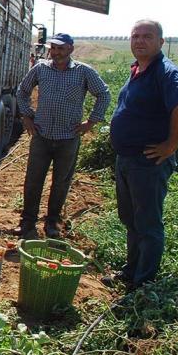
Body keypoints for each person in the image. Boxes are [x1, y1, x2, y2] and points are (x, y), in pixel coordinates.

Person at [106, 20, 178, 289]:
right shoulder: (137, 70)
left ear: (160, 42)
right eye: (135, 36)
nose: (140, 41)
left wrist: (170, 145)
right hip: (128, 160)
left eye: (147, 36)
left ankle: (144, 282)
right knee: (131, 218)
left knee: (147, 222)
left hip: (148, 162)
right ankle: (131, 271)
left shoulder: (165, 72)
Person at [14, 33, 111, 239]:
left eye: (61, 48)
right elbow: (22, 91)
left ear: (70, 50)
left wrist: (91, 122)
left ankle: (52, 223)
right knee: (33, 180)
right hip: (42, 135)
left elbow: (103, 94)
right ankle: (27, 222)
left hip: (68, 137)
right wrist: (27, 116)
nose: (56, 52)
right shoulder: (40, 69)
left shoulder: (83, 71)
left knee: (61, 182)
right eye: (54, 48)